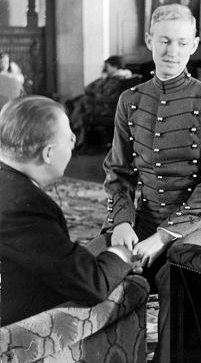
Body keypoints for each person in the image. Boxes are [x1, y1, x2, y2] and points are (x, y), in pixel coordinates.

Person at [101, 4, 201, 362]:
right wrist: (122, 224)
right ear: (149, 40)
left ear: (194, 45)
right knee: (95, 269)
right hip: (142, 217)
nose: (171, 52)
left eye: (181, 42)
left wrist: (162, 237)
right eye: (163, 41)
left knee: (176, 284)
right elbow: (118, 173)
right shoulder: (130, 101)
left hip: (192, 224)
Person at [0, 95, 142, 327]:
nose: (75, 139)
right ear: (48, 154)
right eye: (68, 136)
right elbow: (92, 286)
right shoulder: (27, 206)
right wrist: (124, 255)